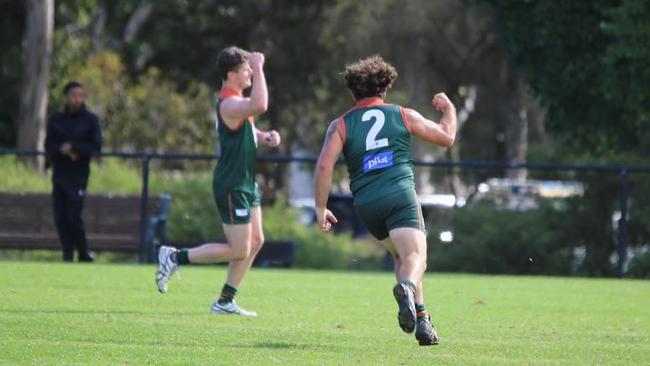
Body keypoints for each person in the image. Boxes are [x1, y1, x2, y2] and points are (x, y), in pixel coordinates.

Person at [313, 56, 457, 346]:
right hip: (399, 196)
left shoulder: (340, 124)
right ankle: (405, 287)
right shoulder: (402, 115)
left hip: (367, 205)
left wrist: (320, 207)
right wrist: (449, 108)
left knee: (401, 256)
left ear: (353, 93)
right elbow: (446, 137)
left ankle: (424, 323)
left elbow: (324, 166)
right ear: (385, 89)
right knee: (416, 259)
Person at [156, 47, 281, 317]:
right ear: (231, 74)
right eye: (246, 69)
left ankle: (225, 301)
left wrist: (264, 136)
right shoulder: (228, 103)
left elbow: (247, 126)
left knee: (256, 240)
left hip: (246, 182)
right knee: (239, 249)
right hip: (233, 184)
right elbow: (260, 105)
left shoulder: (236, 102)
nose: (249, 72)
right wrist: (259, 67)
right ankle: (175, 257)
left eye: (250, 68)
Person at [44, 81, 102, 262]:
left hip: (78, 175)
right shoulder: (56, 119)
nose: (77, 99)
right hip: (60, 173)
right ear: (66, 98)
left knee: (74, 216)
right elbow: (48, 145)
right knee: (60, 217)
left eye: (80, 96)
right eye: (73, 96)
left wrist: (75, 148)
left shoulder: (90, 120)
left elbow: (96, 147)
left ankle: (83, 253)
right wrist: (60, 150)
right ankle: (67, 254)